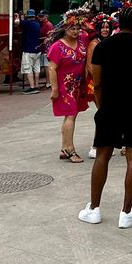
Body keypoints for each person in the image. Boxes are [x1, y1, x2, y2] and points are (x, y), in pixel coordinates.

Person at [78, 7, 132, 229]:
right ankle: (126, 212)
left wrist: (102, 107)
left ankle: (94, 208)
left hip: (110, 106)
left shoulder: (102, 47)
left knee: (103, 155)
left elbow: (97, 82)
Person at [47, 9, 90, 162]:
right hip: (64, 86)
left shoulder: (82, 41)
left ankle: (65, 147)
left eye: (78, 28)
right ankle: (70, 149)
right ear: (65, 28)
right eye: (72, 28)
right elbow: (52, 68)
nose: (76, 31)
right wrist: (55, 89)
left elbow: (91, 30)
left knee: (71, 116)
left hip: (77, 86)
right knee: (70, 115)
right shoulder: (57, 47)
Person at [86, 13, 116, 159]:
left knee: (109, 114)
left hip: (110, 83)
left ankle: (109, 142)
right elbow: (90, 66)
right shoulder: (94, 44)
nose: (105, 29)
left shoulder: (111, 41)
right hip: (98, 84)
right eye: (102, 27)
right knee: (103, 114)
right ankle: (95, 146)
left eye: (107, 27)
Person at [15, 9, 42, 94]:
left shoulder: (26, 23)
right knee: (36, 69)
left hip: (28, 50)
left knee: (28, 68)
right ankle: (37, 86)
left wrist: (17, 16)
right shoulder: (37, 24)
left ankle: (32, 87)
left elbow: (17, 22)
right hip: (37, 49)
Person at [38, 10, 55, 89]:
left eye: (42, 16)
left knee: (47, 66)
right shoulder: (42, 24)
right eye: (40, 16)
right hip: (43, 47)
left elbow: (50, 36)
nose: (40, 18)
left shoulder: (48, 25)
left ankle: (49, 83)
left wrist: (40, 38)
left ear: (46, 16)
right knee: (45, 66)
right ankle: (48, 82)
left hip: (46, 48)